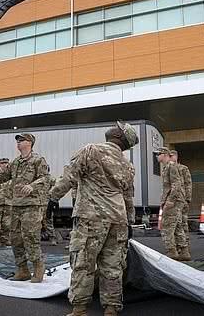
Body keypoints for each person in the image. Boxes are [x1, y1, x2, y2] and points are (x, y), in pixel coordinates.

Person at [49, 121, 138, 316]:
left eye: (118, 128)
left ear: (120, 136)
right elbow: (128, 197)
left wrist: (52, 198)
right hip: (118, 220)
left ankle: (80, 309)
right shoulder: (128, 166)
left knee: (83, 263)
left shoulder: (91, 150)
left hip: (91, 218)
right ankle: (111, 308)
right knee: (113, 266)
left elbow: (69, 176)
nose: (113, 127)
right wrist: (129, 221)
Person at [0, 133, 51, 283]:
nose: (18, 142)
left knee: (30, 236)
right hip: (16, 204)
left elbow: (46, 178)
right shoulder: (16, 162)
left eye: (21, 140)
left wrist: (32, 185)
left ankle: (38, 267)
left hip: (31, 205)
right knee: (16, 238)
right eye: (17, 140)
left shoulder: (38, 160)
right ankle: (22, 270)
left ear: (29, 142)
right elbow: (2, 176)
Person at [154, 147, 187, 261]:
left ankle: (171, 251)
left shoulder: (171, 166)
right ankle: (183, 251)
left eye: (158, 154)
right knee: (177, 226)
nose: (156, 156)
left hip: (174, 200)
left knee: (166, 226)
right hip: (175, 199)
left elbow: (176, 184)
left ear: (164, 154)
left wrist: (170, 201)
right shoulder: (166, 167)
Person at [169, 149, 192, 261]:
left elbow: (188, 184)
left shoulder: (183, 168)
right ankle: (177, 246)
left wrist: (188, 198)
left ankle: (185, 246)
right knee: (175, 223)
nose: (171, 157)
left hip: (182, 199)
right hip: (174, 200)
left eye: (172, 155)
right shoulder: (168, 168)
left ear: (176, 156)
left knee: (183, 222)